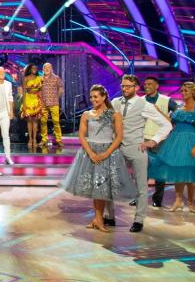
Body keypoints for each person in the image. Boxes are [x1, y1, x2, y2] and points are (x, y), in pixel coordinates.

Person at [60, 85, 135, 232]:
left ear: (104, 97)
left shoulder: (114, 114)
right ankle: (98, 219)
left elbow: (119, 136)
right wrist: (91, 153)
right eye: (91, 97)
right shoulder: (87, 114)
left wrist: (106, 154)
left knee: (101, 188)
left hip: (108, 153)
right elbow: (81, 136)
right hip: (90, 153)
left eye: (96, 96)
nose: (93, 99)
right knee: (96, 188)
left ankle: (98, 219)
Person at [104, 75, 173, 232]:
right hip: (117, 148)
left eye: (128, 86)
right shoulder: (115, 103)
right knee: (108, 182)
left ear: (136, 87)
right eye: (123, 86)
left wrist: (153, 141)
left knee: (141, 186)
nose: (124, 89)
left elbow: (166, 125)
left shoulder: (144, 104)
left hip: (136, 147)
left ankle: (139, 220)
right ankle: (109, 216)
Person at [149, 82, 195, 213]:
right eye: (182, 91)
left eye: (185, 91)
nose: (183, 93)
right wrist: (159, 112)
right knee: (178, 172)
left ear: (193, 92)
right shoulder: (179, 108)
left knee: (190, 172)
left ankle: (190, 202)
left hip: (192, 141)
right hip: (176, 142)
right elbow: (169, 123)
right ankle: (178, 201)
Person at [143, 76, 177, 207]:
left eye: (150, 84)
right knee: (141, 171)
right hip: (144, 138)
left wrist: (170, 122)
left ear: (157, 86)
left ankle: (157, 199)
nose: (146, 86)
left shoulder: (167, 100)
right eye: (145, 84)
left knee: (160, 171)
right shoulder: (140, 101)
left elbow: (178, 114)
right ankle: (139, 198)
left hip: (161, 140)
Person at [39, 63, 65, 151]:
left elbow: (61, 88)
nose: (47, 69)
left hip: (54, 103)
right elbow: (37, 90)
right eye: (45, 67)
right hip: (43, 103)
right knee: (43, 121)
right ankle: (44, 139)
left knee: (56, 121)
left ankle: (58, 140)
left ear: (51, 68)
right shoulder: (40, 79)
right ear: (43, 69)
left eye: (48, 67)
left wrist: (57, 96)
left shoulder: (56, 78)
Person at [0, 66, 15, 165]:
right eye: (0, 72)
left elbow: (10, 98)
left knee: (6, 135)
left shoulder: (8, 84)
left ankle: (8, 157)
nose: (2, 73)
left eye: (3, 71)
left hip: (5, 112)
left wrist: (11, 111)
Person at [20, 64, 43, 151]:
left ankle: (35, 139)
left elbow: (41, 91)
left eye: (36, 68)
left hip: (36, 99)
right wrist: (24, 105)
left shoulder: (39, 78)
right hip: (28, 99)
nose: (35, 69)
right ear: (30, 69)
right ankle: (30, 139)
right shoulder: (26, 78)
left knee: (36, 121)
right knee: (29, 121)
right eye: (33, 68)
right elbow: (24, 92)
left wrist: (42, 103)